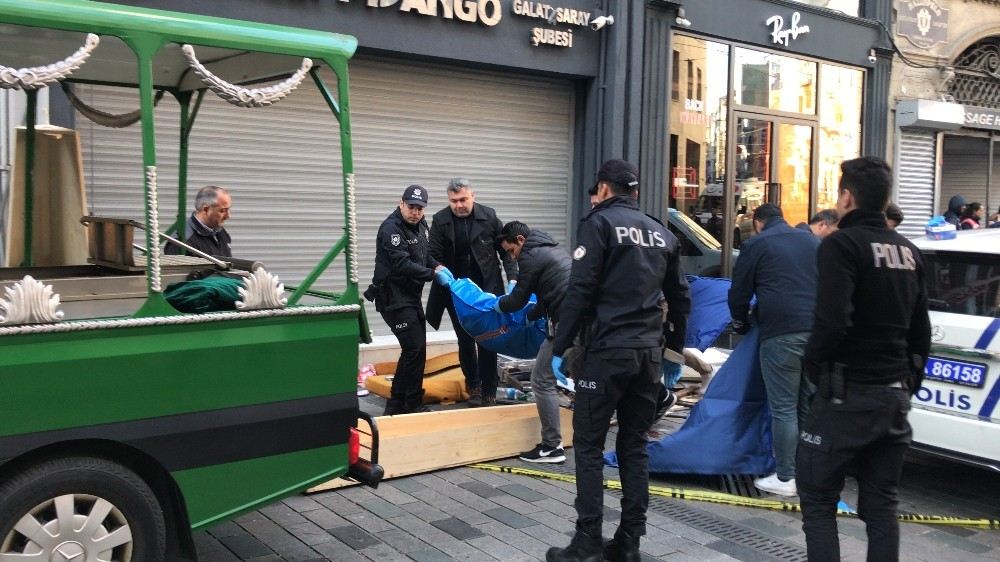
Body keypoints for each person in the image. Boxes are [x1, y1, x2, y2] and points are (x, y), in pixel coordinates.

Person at [548, 159, 690, 562]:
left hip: (606, 353)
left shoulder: (598, 224)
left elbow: (580, 289)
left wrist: (560, 347)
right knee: (634, 446)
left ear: (605, 190)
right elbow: (681, 299)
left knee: (590, 446)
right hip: (647, 356)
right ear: (636, 192)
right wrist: (674, 353)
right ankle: (629, 543)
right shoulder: (663, 233)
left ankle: (587, 542)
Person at [798, 157, 931, 562]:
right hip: (892, 396)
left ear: (847, 197)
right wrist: (909, 382)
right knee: (881, 506)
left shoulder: (841, 244)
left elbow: (832, 321)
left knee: (818, 500)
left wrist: (815, 370)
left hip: (846, 394)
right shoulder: (908, 251)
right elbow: (921, 331)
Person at [728, 203, 820, 497]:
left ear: (757, 223)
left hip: (782, 333)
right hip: (818, 332)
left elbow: (739, 292)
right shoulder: (811, 240)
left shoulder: (756, 244)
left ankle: (786, 477)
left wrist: (740, 322)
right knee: (806, 404)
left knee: (783, 407)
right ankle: (809, 473)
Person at [426, 178, 516, 407]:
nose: (459, 205)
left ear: (472, 196)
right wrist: (438, 269)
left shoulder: (489, 216)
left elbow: (506, 251)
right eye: (454, 201)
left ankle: (489, 390)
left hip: (486, 291)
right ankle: (473, 386)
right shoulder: (440, 220)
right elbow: (431, 254)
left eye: (463, 199)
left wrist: (513, 278)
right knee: (465, 341)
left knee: (488, 340)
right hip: (456, 293)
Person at [368, 185, 451, 416]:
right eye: (411, 207)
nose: (415, 212)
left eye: (420, 208)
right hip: (392, 297)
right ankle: (396, 404)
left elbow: (424, 255)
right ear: (401, 203)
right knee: (412, 348)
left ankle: (411, 401)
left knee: (418, 349)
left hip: (410, 296)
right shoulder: (391, 229)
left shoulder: (421, 224)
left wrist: (436, 265)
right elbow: (402, 264)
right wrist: (432, 275)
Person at [495, 220, 571, 463]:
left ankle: (552, 447)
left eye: (511, 251)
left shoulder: (529, 256)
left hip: (566, 323)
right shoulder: (551, 248)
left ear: (520, 241)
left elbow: (517, 299)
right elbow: (549, 292)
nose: (512, 257)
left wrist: (498, 305)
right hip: (581, 319)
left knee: (541, 380)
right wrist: (531, 315)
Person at [164, 185, 233, 257]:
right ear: (206, 209)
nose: (228, 216)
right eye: (222, 211)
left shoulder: (219, 231)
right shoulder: (181, 241)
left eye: (228, 209)